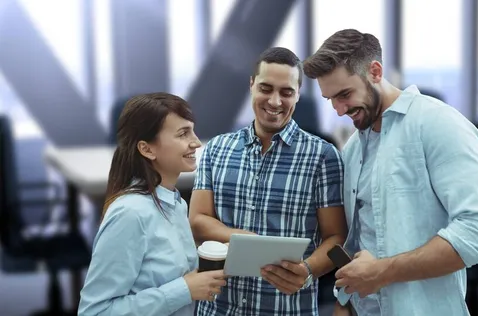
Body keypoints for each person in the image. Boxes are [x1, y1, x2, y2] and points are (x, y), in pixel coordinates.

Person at [303, 29, 478, 316]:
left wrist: (382, 272)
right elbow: (359, 242)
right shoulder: (353, 150)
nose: (339, 110)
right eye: (330, 99)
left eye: (345, 94)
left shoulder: (439, 124)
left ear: (375, 71)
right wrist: (344, 301)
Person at [189, 47, 348, 315]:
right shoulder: (217, 149)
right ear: (251, 85)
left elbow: (337, 237)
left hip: (285, 308)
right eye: (266, 88)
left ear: (297, 94)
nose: (274, 101)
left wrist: (308, 271)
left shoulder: (323, 156)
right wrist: (247, 241)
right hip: (218, 307)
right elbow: (198, 220)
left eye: (286, 92)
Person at [78, 93, 227, 316]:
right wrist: (184, 290)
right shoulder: (130, 214)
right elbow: (94, 312)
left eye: (192, 130)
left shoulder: (175, 204)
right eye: (183, 133)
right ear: (147, 149)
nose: (196, 142)